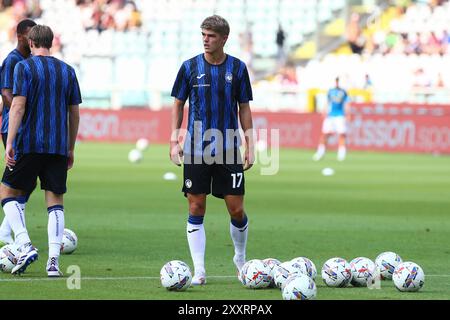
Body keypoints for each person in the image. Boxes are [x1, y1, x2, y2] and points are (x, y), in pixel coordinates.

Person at [170, 15, 254, 285]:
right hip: (196, 146)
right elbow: (178, 104)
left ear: (224, 38)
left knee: (236, 209)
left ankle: (239, 258)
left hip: (229, 145)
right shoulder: (189, 67)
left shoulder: (238, 69)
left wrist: (249, 144)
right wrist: (175, 141)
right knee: (196, 204)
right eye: (203, 34)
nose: (205, 39)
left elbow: (244, 108)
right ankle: (200, 270)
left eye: (211, 35)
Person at [0, 24, 81, 276]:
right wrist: (70, 146)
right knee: (55, 202)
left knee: (7, 192)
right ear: (51, 42)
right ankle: (53, 263)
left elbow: (17, 107)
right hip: (57, 146)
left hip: (29, 143)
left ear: (32, 44)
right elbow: (74, 113)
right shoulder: (67, 71)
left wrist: (10, 141)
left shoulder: (23, 67)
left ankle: (24, 243)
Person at [0, 18, 37, 247]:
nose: (34, 38)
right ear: (21, 36)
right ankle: (10, 232)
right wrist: (21, 113)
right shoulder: (12, 61)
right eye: (31, 34)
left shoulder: (30, 60)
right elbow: (6, 93)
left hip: (26, 127)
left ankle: (7, 229)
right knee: (17, 180)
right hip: (11, 128)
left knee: (28, 181)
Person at [313, 77, 350, 162]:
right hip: (330, 115)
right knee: (325, 134)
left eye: (338, 81)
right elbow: (327, 102)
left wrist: (347, 113)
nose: (337, 82)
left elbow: (346, 103)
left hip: (340, 115)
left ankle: (341, 153)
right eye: (336, 81)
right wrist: (324, 111)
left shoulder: (343, 92)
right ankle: (320, 152)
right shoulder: (330, 91)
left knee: (342, 134)